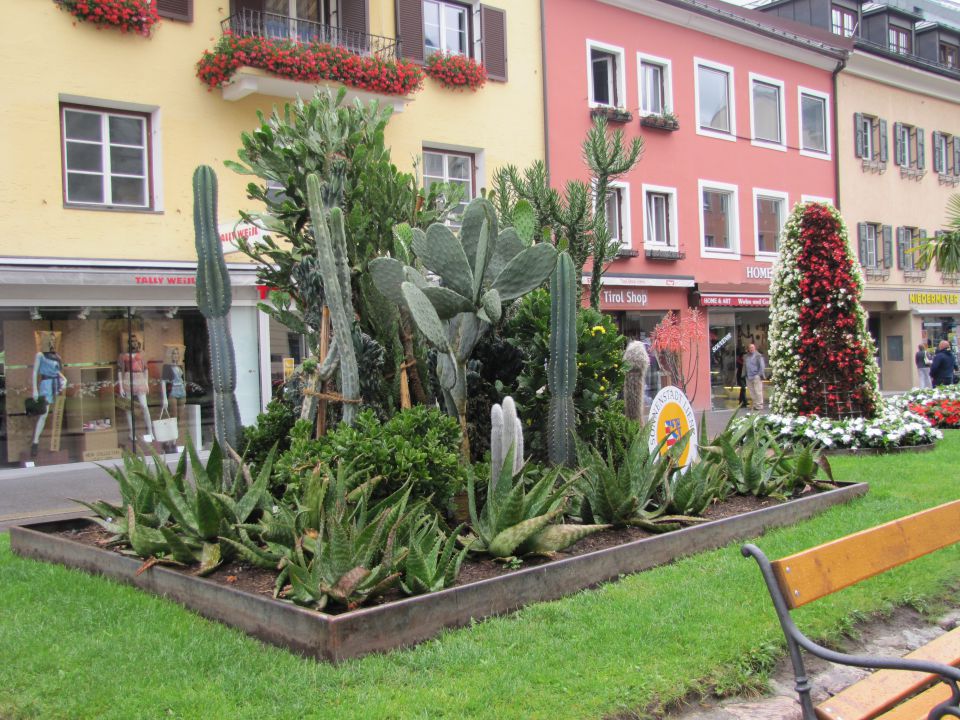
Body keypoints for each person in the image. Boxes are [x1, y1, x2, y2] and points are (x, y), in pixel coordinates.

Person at [31, 331, 67, 458]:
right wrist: (34, 390)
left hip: (56, 385)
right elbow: (35, 372)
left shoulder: (56, 356)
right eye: (49, 340)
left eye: (53, 340)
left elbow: (57, 372)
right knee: (43, 415)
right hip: (46, 385)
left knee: (58, 413)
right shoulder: (40, 355)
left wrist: (64, 380)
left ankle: (55, 444)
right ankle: (35, 442)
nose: (51, 342)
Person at [118, 333, 153, 441]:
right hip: (128, 379)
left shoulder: (142, 354)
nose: (133, 343)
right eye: (131, 341)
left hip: (140, 378)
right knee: (129, 408)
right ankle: (131, 432)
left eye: (134, 341)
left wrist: (147, 383)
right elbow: (119, 370)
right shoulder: (123, 355)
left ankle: (150, 431)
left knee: (144, 406)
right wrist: (120, 386)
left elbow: (146, 369)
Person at [744, 343, 766, 411]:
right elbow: (744, 366)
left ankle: (759, 405)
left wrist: (758, 375)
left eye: (752, 347)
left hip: (756, 376)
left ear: (755, 348)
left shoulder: (758, 356)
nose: (751, 349)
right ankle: (755, 404)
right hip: (748, 377)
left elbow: (762, 366)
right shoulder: (746, 356)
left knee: (758, 391)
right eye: (750, 348)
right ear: (748, 349)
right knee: (752, 392)